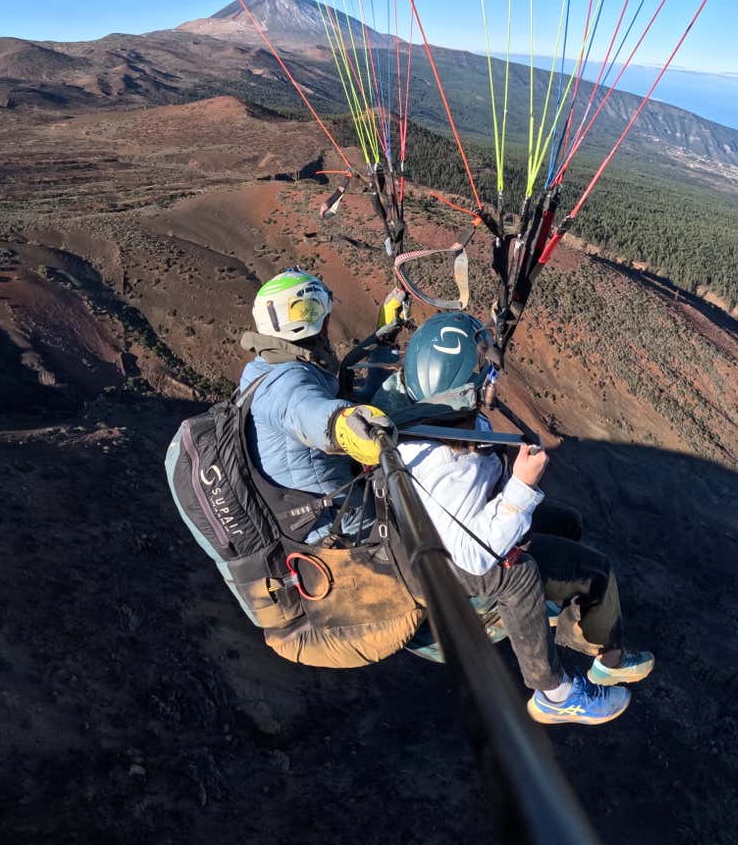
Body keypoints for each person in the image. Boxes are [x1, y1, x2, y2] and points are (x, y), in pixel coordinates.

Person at [388, 312, 655, 727]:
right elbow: (475, 555)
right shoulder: (445, 463)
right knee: (594, 572)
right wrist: (522, 486)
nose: (489, 381)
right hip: (457, 562)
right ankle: (569, 686)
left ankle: (561, 623)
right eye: (484, 374)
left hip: (451, 529)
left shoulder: (429, 420)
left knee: (566, 523)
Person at [240, 269, 394, 541]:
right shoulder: (285, 381)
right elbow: (306, 413)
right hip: (340, 534)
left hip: (333, 519)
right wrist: (341, 425)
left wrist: (384, 342)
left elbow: (357, 398)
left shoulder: (266, 368)